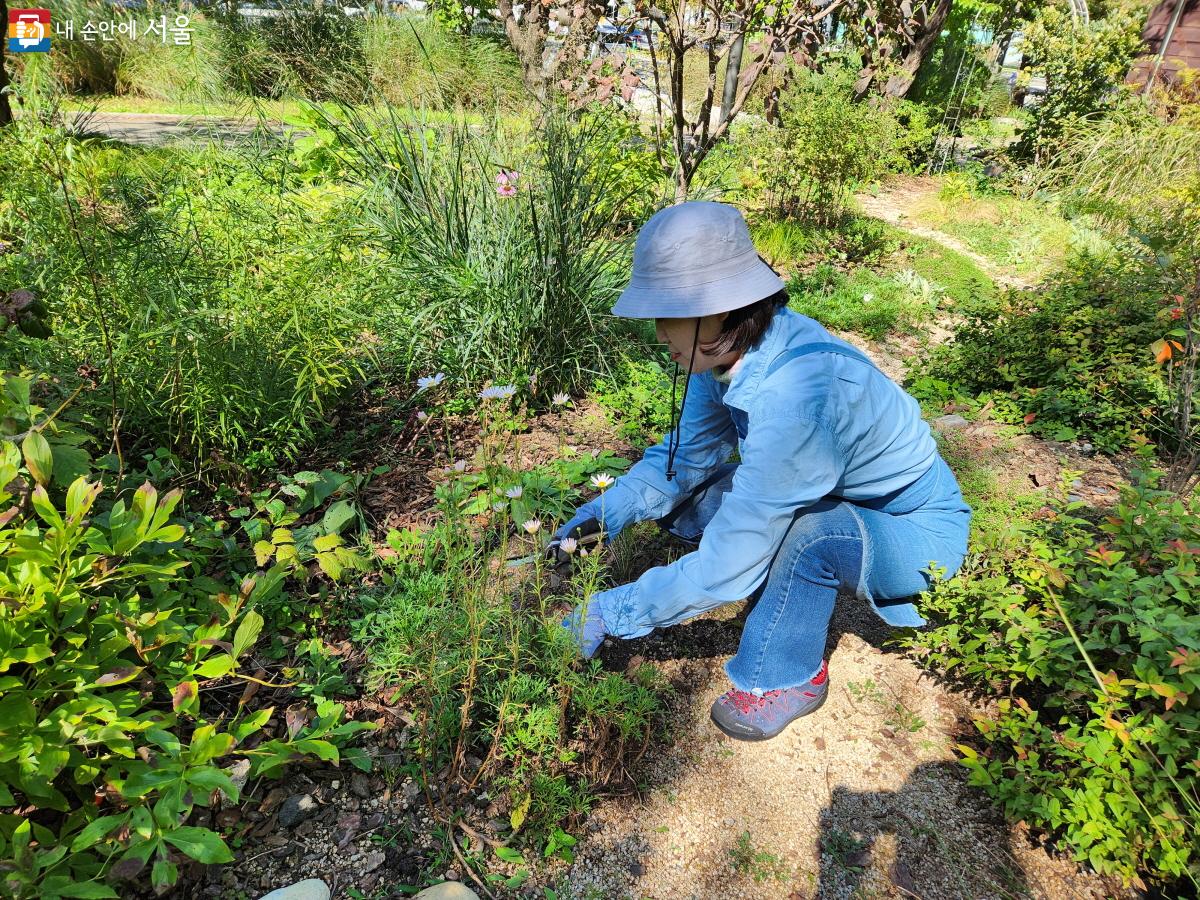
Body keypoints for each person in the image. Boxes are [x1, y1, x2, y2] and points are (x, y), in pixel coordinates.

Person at [548, 201, 972, 742]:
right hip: (833, 489)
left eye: (666, 314)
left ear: (724, 309)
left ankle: (787, 675)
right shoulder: (724, 354)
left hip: (916, 529)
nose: (658, 334)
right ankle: (735, 567)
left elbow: (729, 566)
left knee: (807, 536)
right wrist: (598, 520)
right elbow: (685, 458)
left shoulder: (796, 401)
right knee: (697, 495)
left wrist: (612, 611)